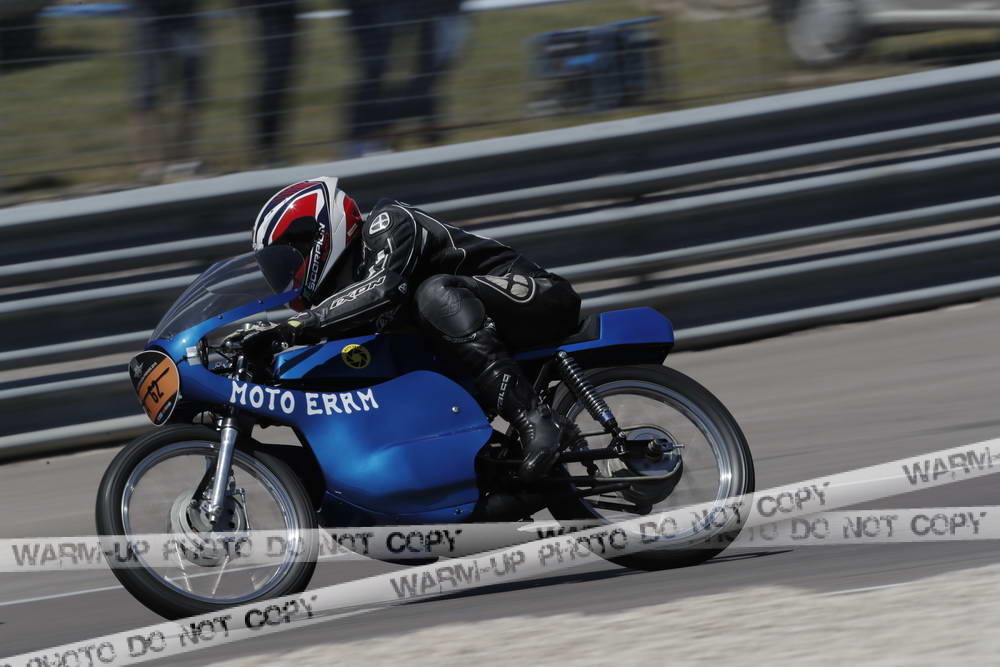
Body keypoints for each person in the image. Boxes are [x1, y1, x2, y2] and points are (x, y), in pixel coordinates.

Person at [245, 177, 582, 482]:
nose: (286, 276)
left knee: (435, 294)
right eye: (276, 270)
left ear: (319, 236)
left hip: (539, 297)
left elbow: (384, 288)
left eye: (287, 262)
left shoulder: (387, 223)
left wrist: (294, 326)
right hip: (472, 341)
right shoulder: (341, 299)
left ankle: (535, 417)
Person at [131, 0, 205, 180]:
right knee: (148, 90)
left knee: (191, 89)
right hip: (151, 16)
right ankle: (150, 163)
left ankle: (183, 159)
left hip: (186, 15)